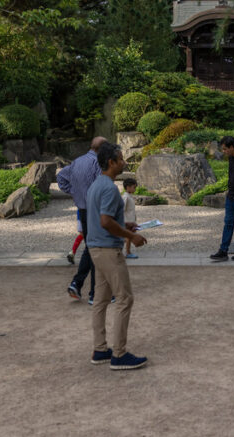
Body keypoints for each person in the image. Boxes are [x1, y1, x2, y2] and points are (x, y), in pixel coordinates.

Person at [86, 141, 149, 370]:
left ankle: (100, 349)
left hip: (95, 249)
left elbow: (104, 218)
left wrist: (124, 224)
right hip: (108, 250)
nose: (123, 162)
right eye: (121, 159)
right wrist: (130, 237)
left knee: (101, 301)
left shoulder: (96, 185)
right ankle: (119, 354)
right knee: (125, 298)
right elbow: (105, 221)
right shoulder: (110, 188)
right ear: (111, 162)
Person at [57, 136, 105, 305]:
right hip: (95, 211)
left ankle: (77, 283)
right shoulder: (97, 163)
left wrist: (74, 192)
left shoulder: (77, 161)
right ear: (102, 149)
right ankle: (94, 293)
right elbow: (102, 186)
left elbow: (61, 177)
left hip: (82, 210)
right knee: (96, 249)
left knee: (90, 247)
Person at [122, 178, 138, 259]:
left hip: (131, 220)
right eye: (133, 187)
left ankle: (127, 251)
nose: (134, 189)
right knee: (128, 237)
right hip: (127, 221)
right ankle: (128, 252)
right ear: (128, 187)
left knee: (129, 236)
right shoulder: (126, 197)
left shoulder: (129, 196)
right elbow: (122, 209)